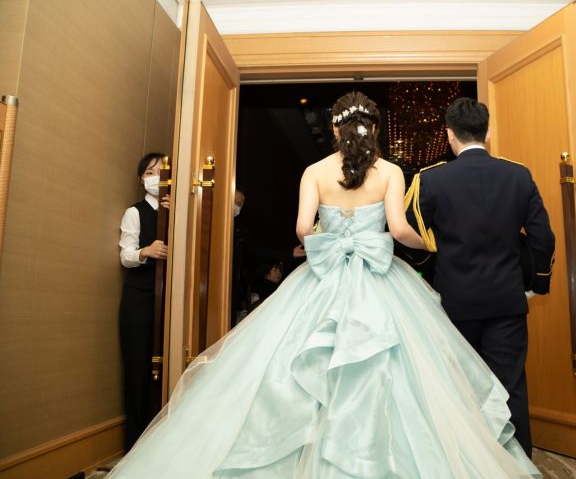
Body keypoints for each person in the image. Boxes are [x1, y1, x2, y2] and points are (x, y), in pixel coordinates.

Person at [108, 92, 541, 478]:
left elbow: (302, 229)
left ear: (334, 129)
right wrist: (429, 244)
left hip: (325, 276)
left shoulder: (314, 171)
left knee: (297, 365)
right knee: (399, 371)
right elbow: (398, 228)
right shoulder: (390, 171)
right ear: (374, 129)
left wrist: (329, 234)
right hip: (380, 278)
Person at [404, 97, 555, 458]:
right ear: (487, 132)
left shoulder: (430, 179)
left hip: (454, 303)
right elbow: (543, 237)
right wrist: (537, 284)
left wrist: (427, 273)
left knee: (460, 389)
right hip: (507, 299)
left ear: (449, 134)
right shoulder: (518, 175)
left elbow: (409, 235)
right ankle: (518, 465)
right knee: (510, 388)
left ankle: (467, 463)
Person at [117, 152, 168, 451]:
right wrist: (146, 251)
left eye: (161, 172)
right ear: (141, 179)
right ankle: (134, 445)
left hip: (165, 301)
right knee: (137, 370)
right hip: (138, 301)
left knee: (161, 370)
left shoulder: (173, 211)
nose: (155, 177)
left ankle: (157, 440)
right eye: (150, 172)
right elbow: (125, 256)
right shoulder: (134, 212)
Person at [231, 188, 305, 325]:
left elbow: (261, 251)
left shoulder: (240, 230)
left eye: (240, 204)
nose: (237, 207)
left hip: (231, 290)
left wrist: (290, 254)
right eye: (235, 202)